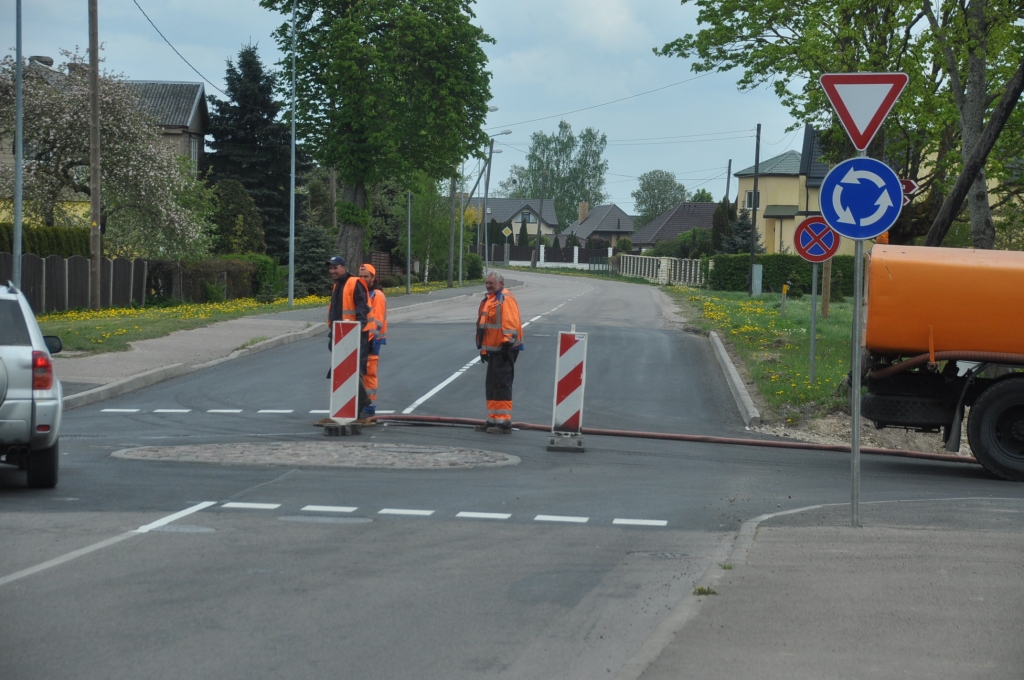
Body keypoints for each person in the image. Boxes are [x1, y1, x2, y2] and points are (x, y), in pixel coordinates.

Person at [323, 255, 372, 424]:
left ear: (343, 267)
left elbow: (362, 308)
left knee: (353, 370)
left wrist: (357, 331)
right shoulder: (337, 286)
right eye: (330, 268)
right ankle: (356, 405)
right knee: (344, 371)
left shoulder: (354, 282)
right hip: (339, 334)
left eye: (335, 268)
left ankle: (359, 406)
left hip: (352, 334)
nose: (332, 271)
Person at [475, 271, 523, 434]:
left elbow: (510, 323)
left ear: (501, 284)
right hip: (494, 350)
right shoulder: (490, 300)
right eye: (487, 283)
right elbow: (486, 328)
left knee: (501, 385)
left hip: (504, 349)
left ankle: (503, 424)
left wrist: (506, 344)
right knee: (492, 386)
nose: (488, 286)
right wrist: (484, 350)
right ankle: (493, 420)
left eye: (491, 283)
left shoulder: (505, 298)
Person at [359, 263, 387, 416]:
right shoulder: (367, 293)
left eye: (366, 276)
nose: (363, 279)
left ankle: (369, 406)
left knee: (369, 371)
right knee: (364, 371)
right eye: (361, 276)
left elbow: (376, 322)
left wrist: (368, 341)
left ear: (373, 278)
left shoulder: (376, 295)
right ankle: (365, 403)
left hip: (372, 340)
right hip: (367, 339)